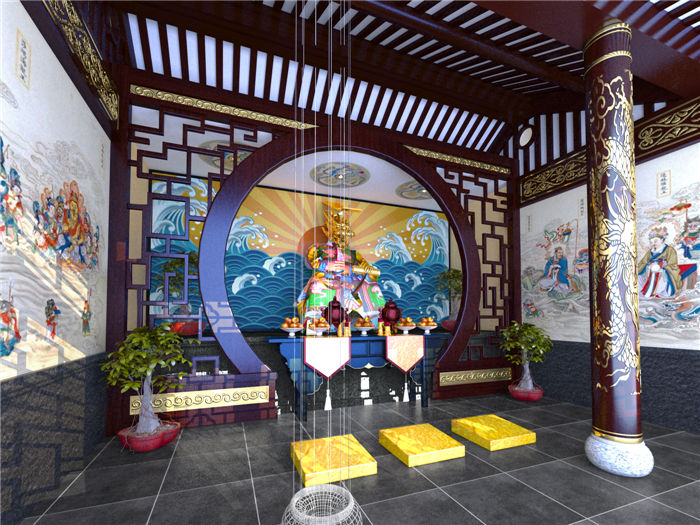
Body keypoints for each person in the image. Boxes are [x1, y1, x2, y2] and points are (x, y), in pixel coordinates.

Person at [297, 202, 385, 320]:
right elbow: (313, 262)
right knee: (317, 284)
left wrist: (351, 269)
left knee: (371, 285)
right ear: (328, 231)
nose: (341, 236)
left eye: (344, 233)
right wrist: (327, 266)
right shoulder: (319, 248)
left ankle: (375, 318)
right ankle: (317, 319)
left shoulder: (354, 254)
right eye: (337, 232)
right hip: (328, 278)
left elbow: (372, 270)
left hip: (351, 280)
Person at [638, 227, 681, 298]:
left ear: (662, 240)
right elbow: (642, 263)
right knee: (639, 277)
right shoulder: (650, 252)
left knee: (662, 276)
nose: (653, 244)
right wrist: (648, 267)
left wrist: (662, 268)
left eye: (655, 241)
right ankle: (644, 293)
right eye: (651, 242)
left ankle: (659, 293)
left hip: (664, 272)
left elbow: (673, 265)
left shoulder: (670, 250)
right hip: (649, 272)